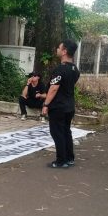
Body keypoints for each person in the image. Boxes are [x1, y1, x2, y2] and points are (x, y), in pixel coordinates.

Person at [41, 40, 80, 168]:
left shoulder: (60, 69)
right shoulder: (75, 70)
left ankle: (60, 160)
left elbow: (54, 88)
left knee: (57, 132)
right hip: (69, 106)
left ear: (64, 51)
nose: (57, 49)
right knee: (66, 131)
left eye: (59, 47)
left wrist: (46, 105)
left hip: (58, 107)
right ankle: (69, 158)